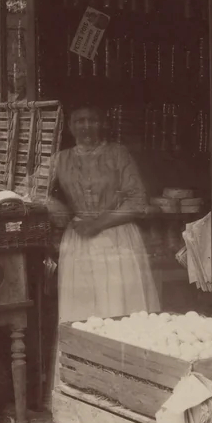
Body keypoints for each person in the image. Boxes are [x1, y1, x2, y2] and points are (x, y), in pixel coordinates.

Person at [49, 105, 160, 322]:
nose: (86, 126)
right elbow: (31, 190)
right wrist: (57, 208)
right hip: (79, 241)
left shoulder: (118, 153)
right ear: (70, 126)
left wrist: (97, 224)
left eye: (92, 120)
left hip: (117, 236)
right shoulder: (59, 160)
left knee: (119, 307)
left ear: (103, 125)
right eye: (80, 121)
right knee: (83, 311)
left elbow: (137, 200)